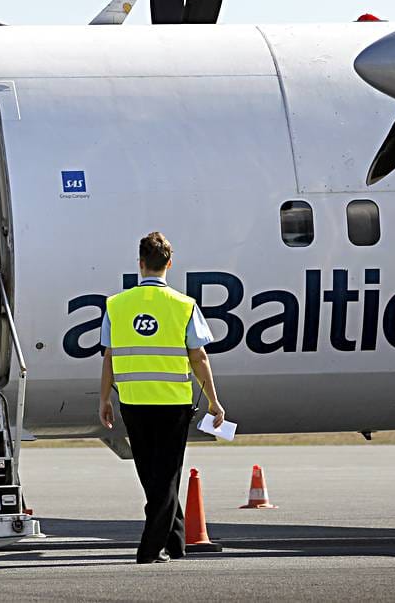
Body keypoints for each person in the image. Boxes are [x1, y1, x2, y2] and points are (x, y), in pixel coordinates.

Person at [98, 232, 226, 564]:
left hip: (134, 403)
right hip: (172, 404)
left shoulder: (116, 304)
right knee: (165, 476)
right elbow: (199, 357)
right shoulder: (184, 305)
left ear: (140, 264)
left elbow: (109, 356)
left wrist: (104, 399)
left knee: (153, 477)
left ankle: (177, 541)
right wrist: (213, 400)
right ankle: (149, 550)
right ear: (170, 263)